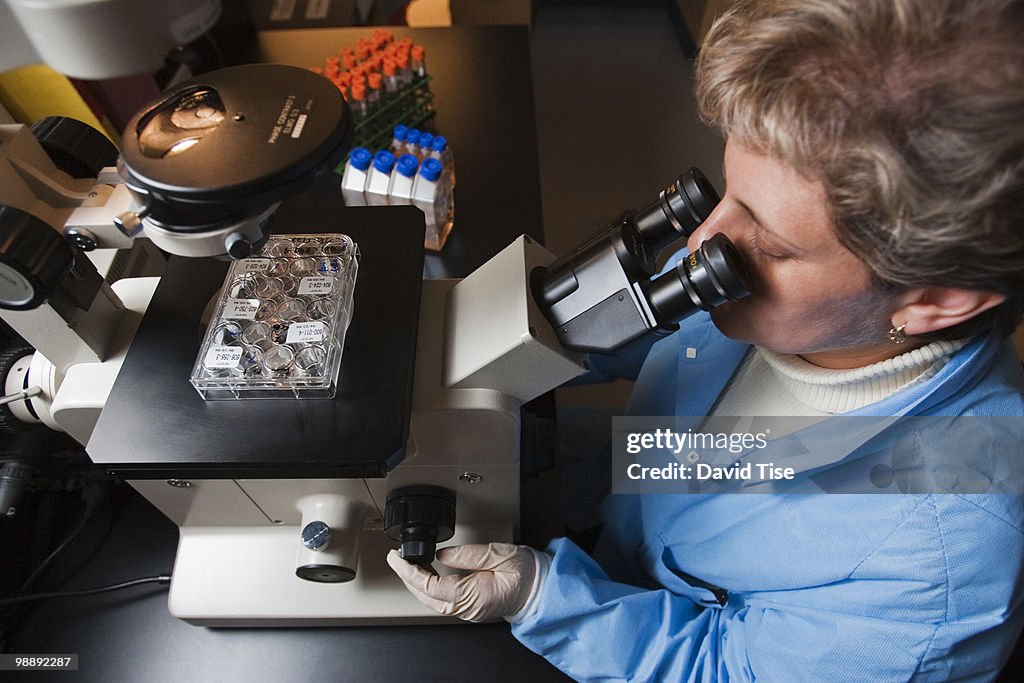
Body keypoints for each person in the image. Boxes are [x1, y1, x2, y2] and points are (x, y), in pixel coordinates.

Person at [387, 0, 1024, 679]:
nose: (702, 243)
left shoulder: (936, 560)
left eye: (770, 244)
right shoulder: (786, 295)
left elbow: (723, 666)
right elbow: (659, 404)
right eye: (724, 193)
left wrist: (545, 597)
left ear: (935, 300)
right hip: (627, 514)